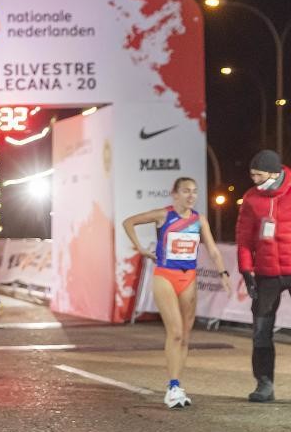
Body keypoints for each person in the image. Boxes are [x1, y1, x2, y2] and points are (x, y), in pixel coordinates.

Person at [123, 177, 230, 408]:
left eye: (194, 191)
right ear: (175, 194)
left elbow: (213, 250)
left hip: (188, 278)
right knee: (176, 332)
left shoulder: (199, 220)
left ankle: (177, 386)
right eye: (186, 191)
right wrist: (140, 248)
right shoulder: (164, 215)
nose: (191, 196)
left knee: (186, 337)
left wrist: (223, 273)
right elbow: (129, 222)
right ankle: (172, 387)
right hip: (165, 276)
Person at [236, 149, 291, 403]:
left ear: (274, 173)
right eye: (252, 175)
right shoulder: (251, 198)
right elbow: (244, 239)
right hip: (266, 274)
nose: (254, 180)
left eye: (258, 175)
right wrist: (246, 270)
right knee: (261, 329)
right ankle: (264, 384)